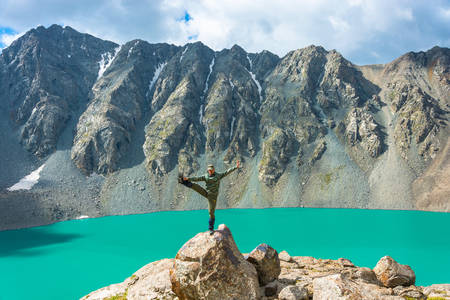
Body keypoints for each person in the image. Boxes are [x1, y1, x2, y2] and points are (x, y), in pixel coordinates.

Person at [178, 160, 240, 234]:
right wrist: (188, 178)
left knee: (211, 212)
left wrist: (236, 167)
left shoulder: (218, 175)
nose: (210, 171)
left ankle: (211, 228)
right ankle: (184, 181)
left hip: (213, 197)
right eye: (209, 170)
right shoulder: (206, 176)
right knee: (196, 186)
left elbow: (227, 172)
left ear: (213, 170)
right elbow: (197, 178)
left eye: (211, 170)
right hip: (207, 193)